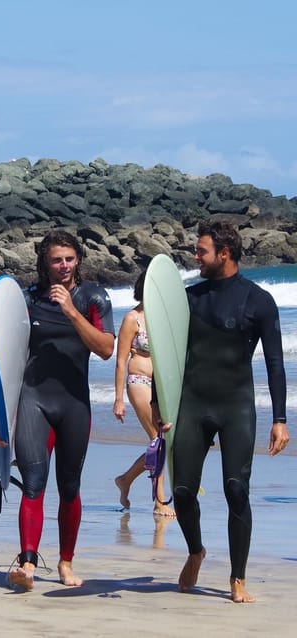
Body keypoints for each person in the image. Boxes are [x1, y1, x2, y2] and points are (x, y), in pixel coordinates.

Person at [153, 220, 289, 603]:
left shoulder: (258, 300)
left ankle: (237, 578)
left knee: (236, 489)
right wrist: (158, 403)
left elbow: (275, 364)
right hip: (193, 404)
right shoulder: (188, 299)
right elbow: (167, 357)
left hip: (236, 406)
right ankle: (196, 550)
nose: (195, 256)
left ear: (224, 254)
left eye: (202, 251)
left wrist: (280, 419)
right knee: (181, 491)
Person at [0, 230, 115, 591]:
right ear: (45, 261)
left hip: (74, 404)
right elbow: (4, 352)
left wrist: (71, 312)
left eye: (69, 259)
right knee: (33, 482)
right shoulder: (27, 299)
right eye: (56, 259)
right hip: (34, 400)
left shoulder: (93, 297)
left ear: (79, 261)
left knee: (70, 487)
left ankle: (65, 561)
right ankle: (27, 563)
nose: (63, 266)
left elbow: (105, 348)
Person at [112, 270, 175, 517]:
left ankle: (126, 479)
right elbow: (120, 361)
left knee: (163, 440)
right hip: (138, 380)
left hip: (161, 386)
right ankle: (159, 501)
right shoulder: (132, 318)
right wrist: (119, 399)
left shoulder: (165, 318)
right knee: (158, 441)